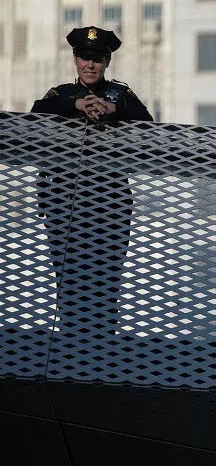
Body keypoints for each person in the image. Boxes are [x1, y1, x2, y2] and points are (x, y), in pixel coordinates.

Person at [31, 26, 153, 346]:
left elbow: (150, 126)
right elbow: (34, 115)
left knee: (106, 283)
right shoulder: (61, 95)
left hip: (109, 209)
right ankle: (73, 352)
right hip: (64, 205)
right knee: (69, 284)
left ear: (107, 61)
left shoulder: (121, 96)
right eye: (85, 57)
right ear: (74, 59)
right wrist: (77, 107)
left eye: (97, 58)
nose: (90, 65)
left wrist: (114, 111)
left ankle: (100, 354)